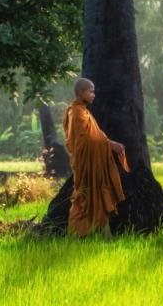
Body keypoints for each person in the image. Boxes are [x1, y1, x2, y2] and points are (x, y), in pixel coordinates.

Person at [64, 78, 128, 237]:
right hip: (85, 164)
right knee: (84, 197)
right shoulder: (76, 113)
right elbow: (83, 141)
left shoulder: (84, 112)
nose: (94, 95)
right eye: (90, 91)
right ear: (81, 92)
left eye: (93, 91)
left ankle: (102, 234)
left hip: (94, 164)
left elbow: (96, 136)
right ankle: (77, 233)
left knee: (98, 194)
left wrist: (110, 143)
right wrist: (110, 145)